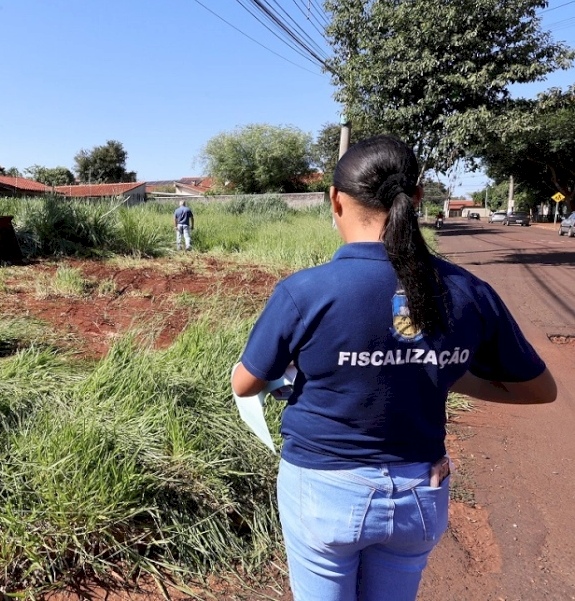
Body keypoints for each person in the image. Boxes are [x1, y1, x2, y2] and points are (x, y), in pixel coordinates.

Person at [230, 135, 555, 601]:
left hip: (325, 491)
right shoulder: (468, 290)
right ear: (417, 197)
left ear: (335, 200)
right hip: (420, 492)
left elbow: (245, 384)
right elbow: (540, 389)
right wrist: (442, 369)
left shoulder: (305, 293)